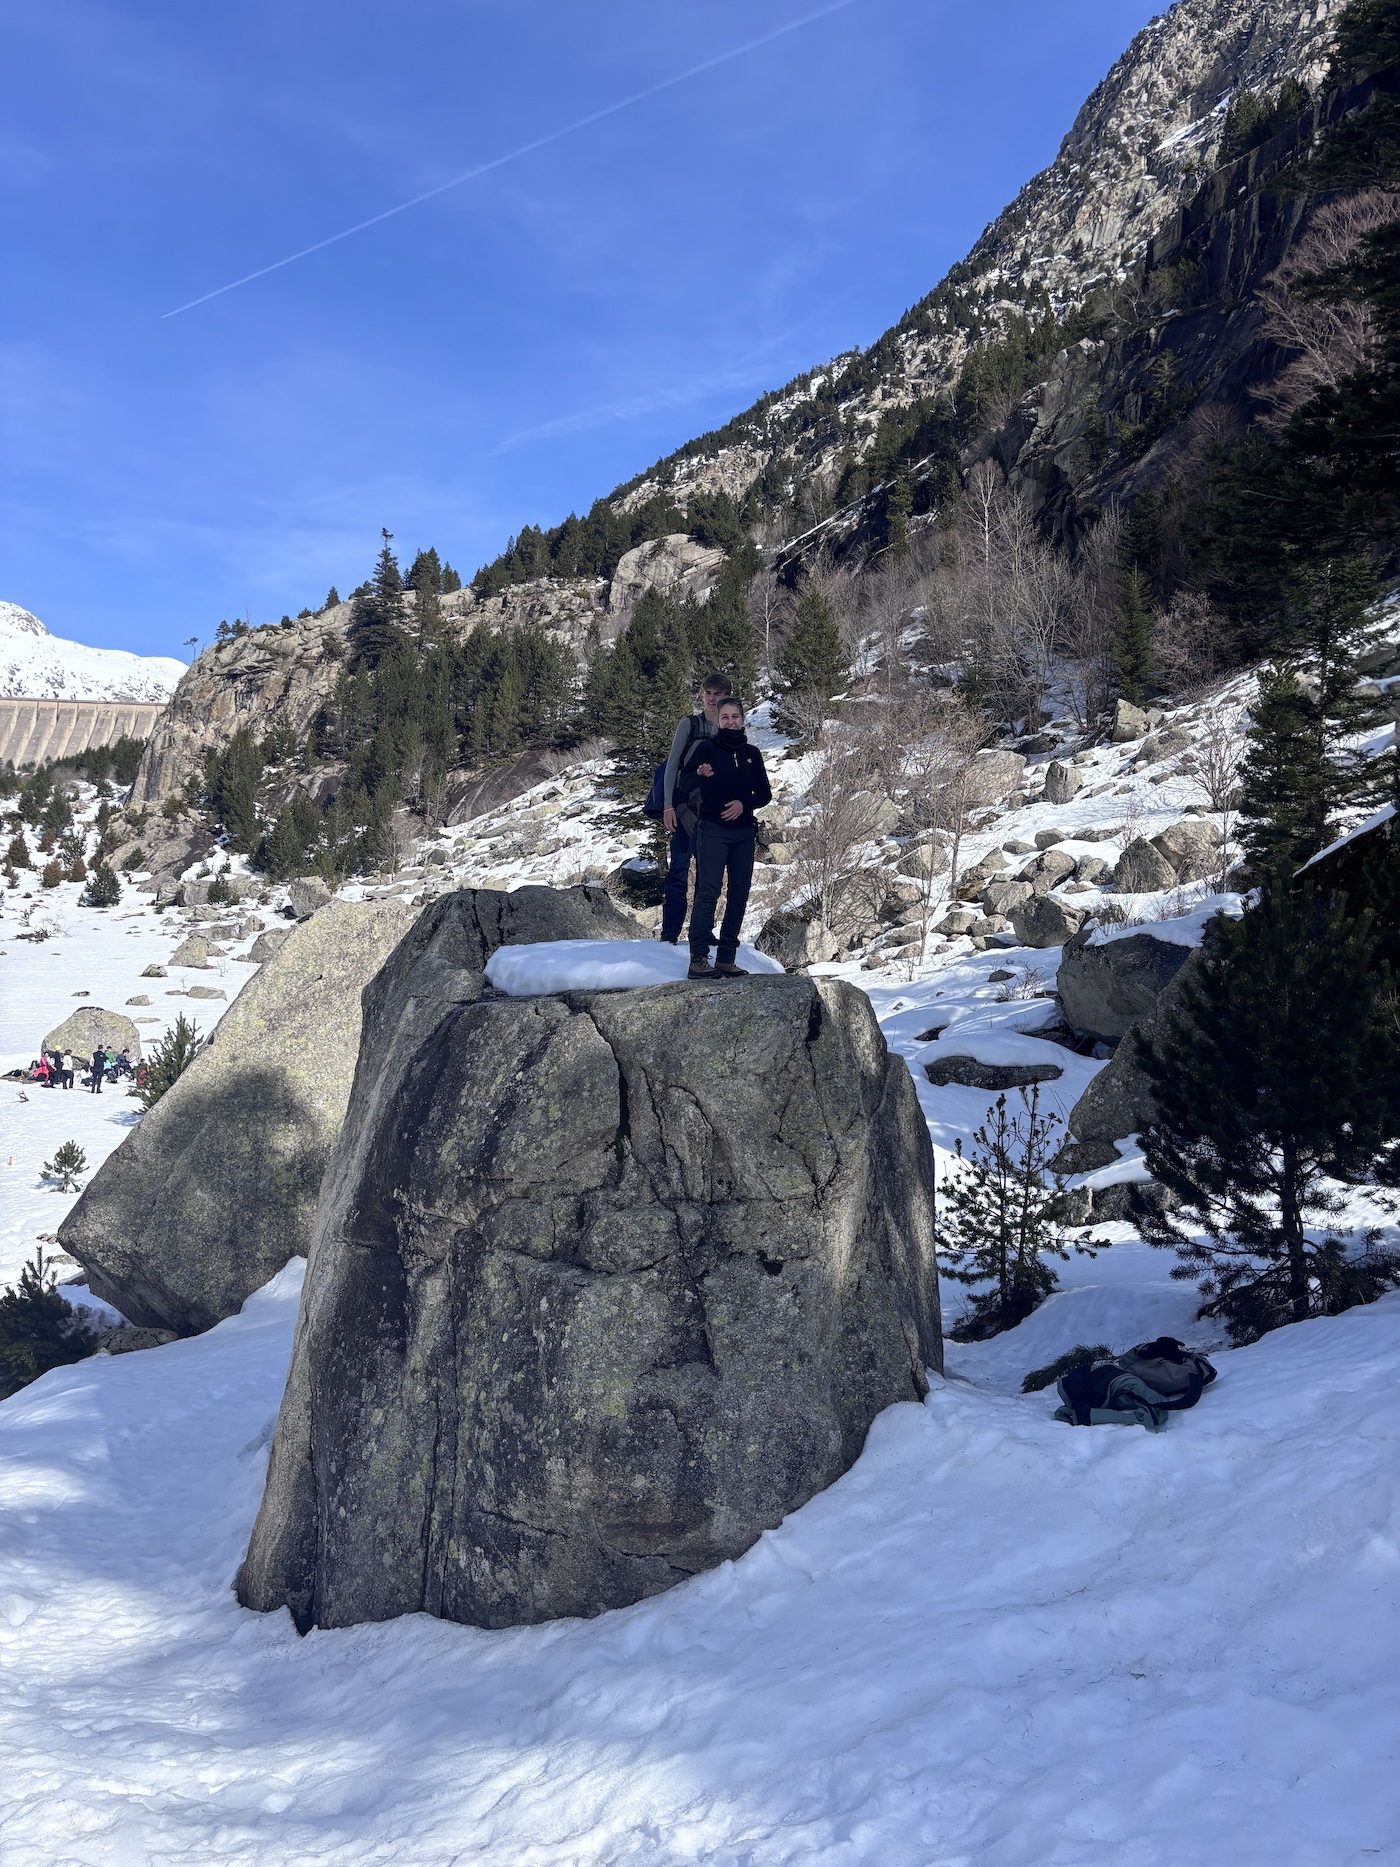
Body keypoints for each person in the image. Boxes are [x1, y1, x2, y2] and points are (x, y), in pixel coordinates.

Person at [687, 697, 772, 980]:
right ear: (718, 720)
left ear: (743, 719)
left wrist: (743, 804)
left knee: (739, 894)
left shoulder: (752, 754)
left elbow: (764, 793)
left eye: (735, 716)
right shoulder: (706, 749)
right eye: (725, 717)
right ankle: (698, 959)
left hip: (744, 833)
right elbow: (685, 783)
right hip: (713, 830)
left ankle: (726, 958)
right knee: (708, 892)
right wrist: (700, 774)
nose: (731, 721)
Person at [659, 672, 733, 945]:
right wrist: (668, 806)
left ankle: (702, 931)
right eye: (708, 693)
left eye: (718, 694)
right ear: (702, 694)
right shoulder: (689, 725)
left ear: (726, 697)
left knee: (709, 875)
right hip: (684, 807)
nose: (711, 699)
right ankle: (670, 932)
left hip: (714, 811)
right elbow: (672, 766)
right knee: (679, 869)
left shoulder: (730, 729)